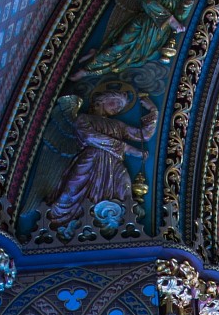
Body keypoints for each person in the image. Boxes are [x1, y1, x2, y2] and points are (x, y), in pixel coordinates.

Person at [43, 88, 157, 237]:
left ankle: (115, 221)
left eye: (120, 107)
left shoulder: (118, 125)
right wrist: (126, 148)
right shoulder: (83, 118)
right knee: (72, 191)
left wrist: (153, 111)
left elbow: (143, 135)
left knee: (124, 186)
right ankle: (65, 223)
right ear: (100, 102)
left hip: (113, 164)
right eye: (115, 103)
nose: (117, 107)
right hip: (91, 160)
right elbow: (90, 136)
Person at [82, 0, 191, 76]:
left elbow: (180, 15)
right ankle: (88, 69)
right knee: (119, 46)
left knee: (133, 56)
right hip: (142, 24)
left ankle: (96, 56)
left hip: (157, 33)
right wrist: (170, 20)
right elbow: (148, 2)